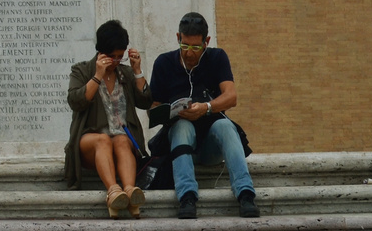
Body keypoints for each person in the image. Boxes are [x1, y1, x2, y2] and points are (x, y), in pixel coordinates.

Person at [148, 12, 257, 220]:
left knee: (225, 126)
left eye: (196, 47)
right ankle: (187, 197)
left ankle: (245, 194)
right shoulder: (163, 63)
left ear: (206, 42)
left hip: (210, 147)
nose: (189, 53)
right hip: (179, 142)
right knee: (182, 126)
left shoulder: (217, 58)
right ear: (178, 38)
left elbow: (231, 96)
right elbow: (153, 107)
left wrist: (206, 107)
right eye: (185, 46)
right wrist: (171, 111)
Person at [64, 19, 156, 218]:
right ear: (100, 52)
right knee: (103, 140)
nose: (115, 61)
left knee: (122, 140)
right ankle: (114, 191)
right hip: (91, 140)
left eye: (119, 57)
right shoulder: (81, 70)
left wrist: (138, 71)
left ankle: (130, 192)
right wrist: (97, 76)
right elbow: (76, 101)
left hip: (121, 138)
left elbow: (145, 101)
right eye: (111, 56)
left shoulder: (125, 73)